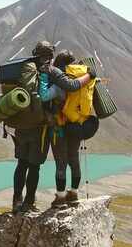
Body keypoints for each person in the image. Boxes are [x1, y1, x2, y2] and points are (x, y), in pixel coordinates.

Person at [12, 42, 92, 212]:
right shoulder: (55, 74)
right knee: (37, 165)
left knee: (23, 164)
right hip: (48, 127)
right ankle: (31, 203)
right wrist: (89, 76)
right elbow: (68, 88)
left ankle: (18, 201)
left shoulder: (27, 68)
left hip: (23, 126)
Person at [49, 50, 96, 206]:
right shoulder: (83, 78)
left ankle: (60, 197)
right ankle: (74, 193)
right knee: (74, 159)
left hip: (59, 126)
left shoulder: (58, 79)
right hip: (76, 124)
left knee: (60, 163)